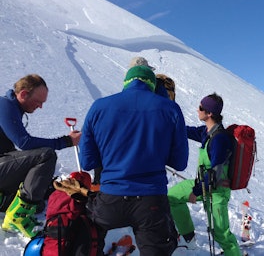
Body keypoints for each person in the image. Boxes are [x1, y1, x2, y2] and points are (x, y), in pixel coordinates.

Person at [79, 65, 189, 255]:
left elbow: (87, 162)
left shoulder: (99, 107)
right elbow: (180, 163)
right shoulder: (170, 108)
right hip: (152, 204)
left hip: (109, 203)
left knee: (90, 229)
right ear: (152, 84)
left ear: (126, 83)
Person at [0, 74, 81, 238]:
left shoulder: (12, 107)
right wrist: (65, 141)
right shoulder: (4, 105)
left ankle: (8, 200)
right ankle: (18, 217)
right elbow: (24, 142)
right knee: (46, 155)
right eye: (38, 101)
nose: (40, 107)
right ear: (23, 94)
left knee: (40, 194)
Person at [168, 93, 241, 256]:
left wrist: (196, 192)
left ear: (209, 113)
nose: (197, 110)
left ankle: (233, 253)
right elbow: (187, 131)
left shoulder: (220, 139)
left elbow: (216, 171)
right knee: (172, 196)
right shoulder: (206, 132)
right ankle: (189, 237)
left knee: (221, 235)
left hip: (216, 191)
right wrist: (169, 126)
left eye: (201, 108)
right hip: (203, 184)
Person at [92, 56, 176, 187]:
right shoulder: (159, 89)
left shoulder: (107, 103)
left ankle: (99, 184)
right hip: (150, 182)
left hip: (114, 179)